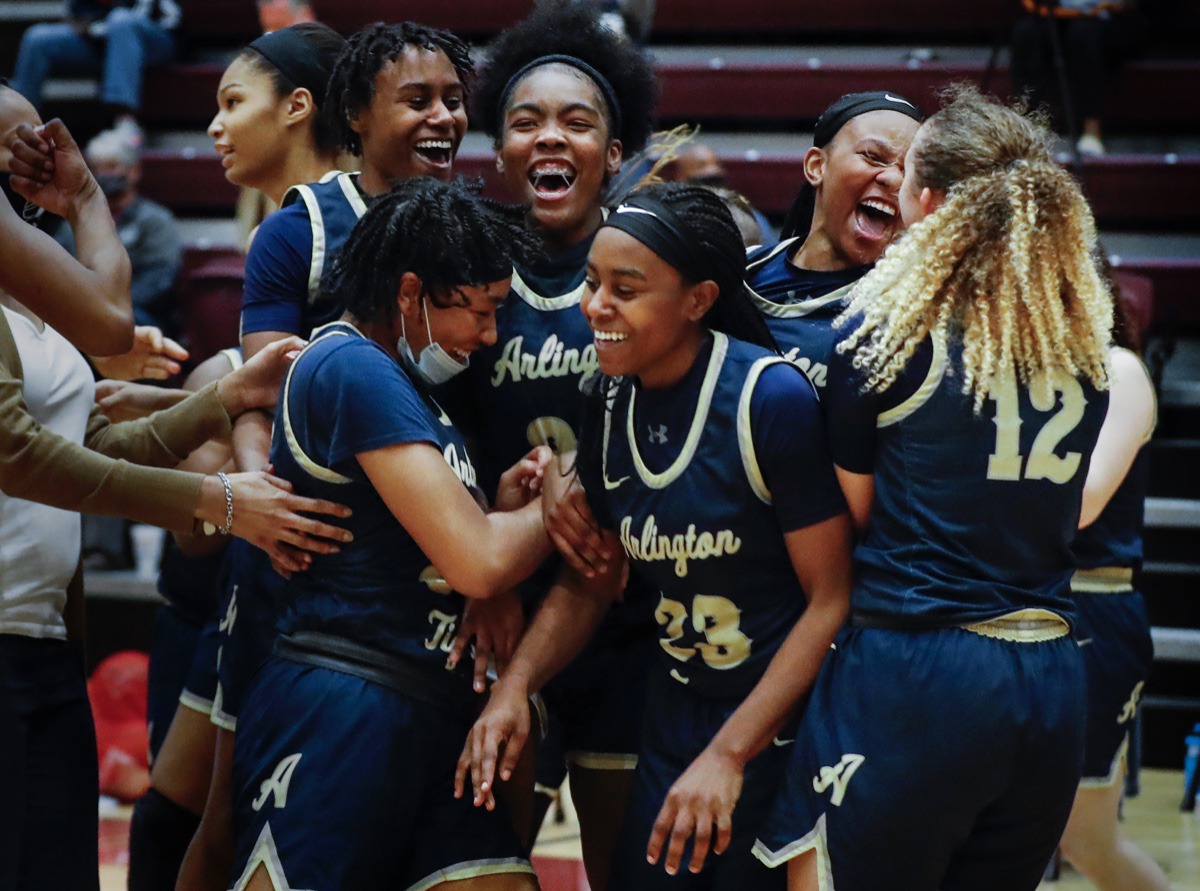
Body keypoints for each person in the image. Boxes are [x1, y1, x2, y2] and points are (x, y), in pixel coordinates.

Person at [752, 85, 1115, 891]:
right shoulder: (1082, 338)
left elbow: (857, 519)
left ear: (933, 200)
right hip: (1053, 675)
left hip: (921, 668)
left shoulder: (885, 330)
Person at [457, 183, 854, 889]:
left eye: (624, 289)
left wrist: (730, 755)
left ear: (698, 300)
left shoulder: (771, 399)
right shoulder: (611, 395)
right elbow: (591, 574)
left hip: (780, 724)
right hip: (676, 714)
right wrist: (516, 685)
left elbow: (830, 600)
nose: (594, 308)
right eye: (590, 283)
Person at [228, 178, 547, 891]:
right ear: (410, 294)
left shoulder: (414, 387)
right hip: (345, 701)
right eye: (482, 310)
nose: (491, 335)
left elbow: (457, 546)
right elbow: (480, 561)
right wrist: (571, 497)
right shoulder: (351, 365)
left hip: (432, 706)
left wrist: (501, 503)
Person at [126, 24, 348, 891]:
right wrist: (178, 402)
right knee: (183, 816)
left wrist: (210, 410)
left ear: (297, 108)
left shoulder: (328, 225)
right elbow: (249, 387)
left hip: (285, 558)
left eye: (232, 103)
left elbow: (273, 395)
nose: (214, 126)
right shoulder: (283, 219)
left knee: (194, 822)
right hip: (233, 559)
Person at [460, 4, 658, 882]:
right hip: (492, 614)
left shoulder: (657, 262)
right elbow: (430, 431)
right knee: (486, 863)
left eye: (578, 123)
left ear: (614, 153)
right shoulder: (464, 258)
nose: (551, 138)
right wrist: (481, 567)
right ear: (498, 149)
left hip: (627, 621)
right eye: (526, 121)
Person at [233, 20, 473, 470]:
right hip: (339, 490)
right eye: (418, 101)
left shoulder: (476, 233)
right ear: (356, 114)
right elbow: (265, 389)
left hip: (453, 476)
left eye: (454, 101)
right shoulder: (297, 230)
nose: (443, 116)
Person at [1059, 289, 1169, 889]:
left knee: (1086, 838)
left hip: (1091, 608)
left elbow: (1083, 504)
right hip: (1014, 604)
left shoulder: (1119, 370)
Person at [747, 92, 922, 391]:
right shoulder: (744, 269)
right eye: (873, 156)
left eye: (911, 173)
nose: (893, 179)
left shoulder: (903, 323)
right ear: (817, 166)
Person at [54, 128, 184, 338]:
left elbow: (161, 278)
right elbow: (57, 267)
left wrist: (109, 307)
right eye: (97, 168)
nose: (104, 175)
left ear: (133, 171)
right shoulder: (74, 222)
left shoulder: (155, 221)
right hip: (83, 312)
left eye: (112, 167)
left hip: (140, 314)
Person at [10, 0, 182, 139]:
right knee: (37, 38)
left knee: (121, 21)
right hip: (100, 41)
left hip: (154, 38)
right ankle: (17, 126)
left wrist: (104, 27)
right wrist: (93, 25)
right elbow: (77, 15)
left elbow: (168, 17)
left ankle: (124, 123)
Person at [1010, 0, 1149, 156]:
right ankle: (1027, 128)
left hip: (1110, 18)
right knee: (1027, 32)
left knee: (1083, 34)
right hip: (1061, 14)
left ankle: (1092, 130)